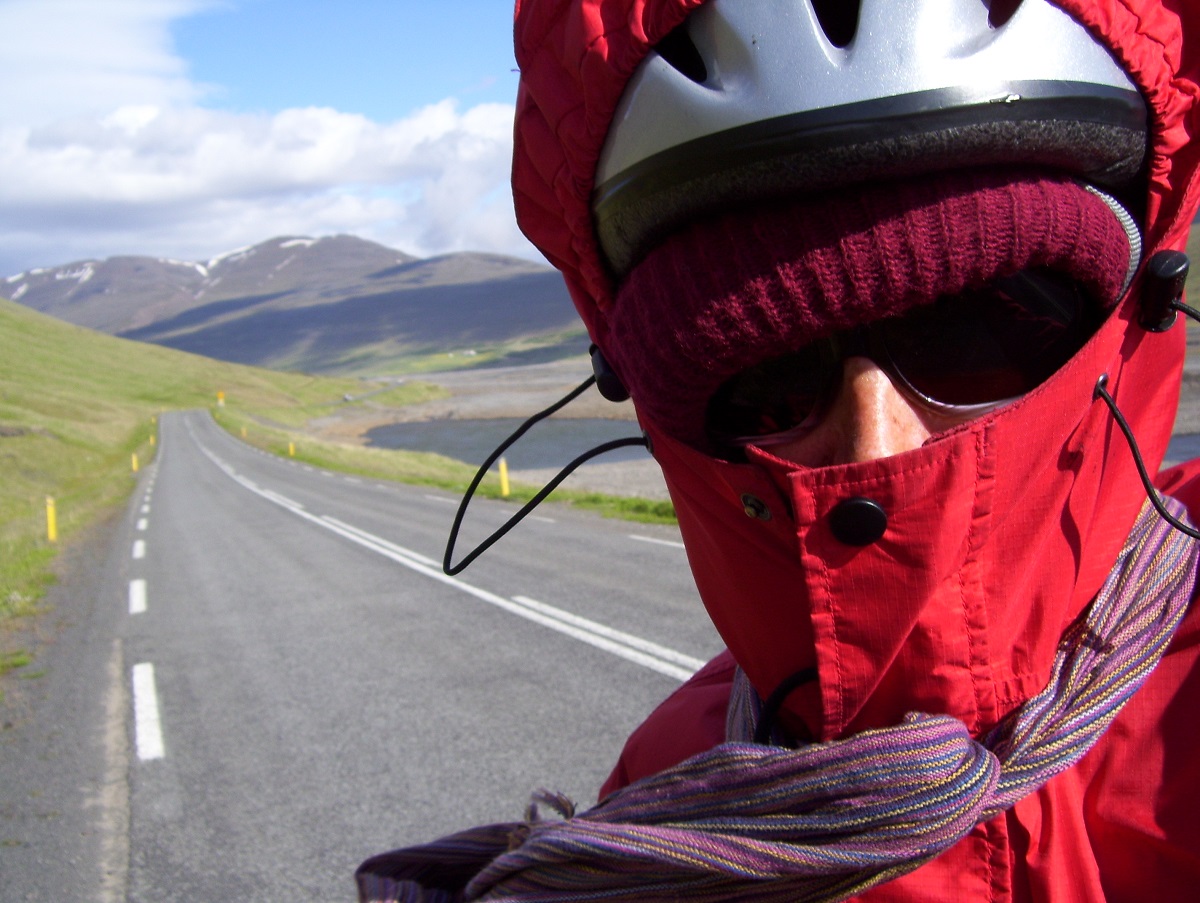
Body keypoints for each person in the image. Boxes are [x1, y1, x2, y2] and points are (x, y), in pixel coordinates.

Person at [357, 1, 1200, 899]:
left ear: (1136, 311)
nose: (874, 450)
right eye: (769, 373)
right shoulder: (666, 790)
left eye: (979, 328)